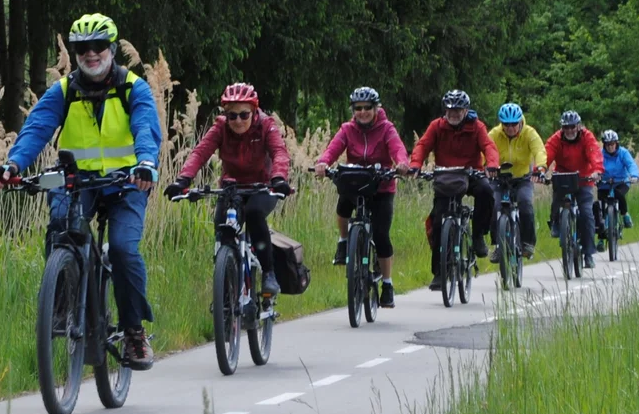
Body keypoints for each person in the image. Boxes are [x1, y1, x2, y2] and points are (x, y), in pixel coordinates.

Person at [0, 14, 162, 369]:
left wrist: (145, 163)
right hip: (76, 181)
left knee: (123, 249)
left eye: (99, 46)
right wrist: (12, 166)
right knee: (61, 229)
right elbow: (36, 128)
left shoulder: (134, 88)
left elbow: (145, 128)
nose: (91, 54)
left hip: (126, 182)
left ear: (112, 49)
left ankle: (133, 332)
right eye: (82, 48)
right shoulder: (64, 90)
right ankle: (63, 303)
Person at [168, 83, 293, 296]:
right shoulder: (220, 128)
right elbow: (200, 153)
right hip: (231, 188)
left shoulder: (266, 126)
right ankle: (226, 288)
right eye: (232, 116)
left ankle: (269, 273)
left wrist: (279, 178)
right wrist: (183, 180)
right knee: (222, 229)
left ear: (254, 112)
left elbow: (279, 153)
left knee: (254, 214)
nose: (237, 121)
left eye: (244, 115)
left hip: (263, 187)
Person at [315, 85, 405, 308]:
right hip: (356, 183)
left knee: (382, 234)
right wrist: (323, 162)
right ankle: (344, 241)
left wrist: (402, 163)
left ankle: (387, 284)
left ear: (376, 109)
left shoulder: (386, 128)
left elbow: (397, 149)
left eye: (367, 108)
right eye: (358, 108)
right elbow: (333, 148)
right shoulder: (347, 129)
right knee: (343, 206)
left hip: (381, 186)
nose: (362, 112)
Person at [407, 89, 499, 292]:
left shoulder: (477, 126)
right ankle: (440, 273)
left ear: (466, 110)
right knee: (439, 223)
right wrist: (415, 164)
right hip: (446, 176)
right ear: (445, 111)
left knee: (486, 191)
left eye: (458, 110)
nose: (454, 114)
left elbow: (489, 146)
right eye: (450, 111)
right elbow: (422, 145)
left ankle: (478, 237)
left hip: (471, 174)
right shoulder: (437, 126)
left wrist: (491, 164)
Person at [544, 109, 604, 268]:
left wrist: (597, 171)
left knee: (586, 213)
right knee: (557, 201)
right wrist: (541, 171)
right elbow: (546, 155)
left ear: (578, 126)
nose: (569, 130)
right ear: (562, 128)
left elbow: (595, 154)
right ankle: (556, 223)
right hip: (563, 176)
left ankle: (589, 253)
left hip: (584, 178)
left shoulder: (587, 137)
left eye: (572, 127)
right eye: (566, 127)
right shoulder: (556, 139)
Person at [490, 102, 545, 261]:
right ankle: (497, 245)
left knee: (525, 204)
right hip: (499, 178)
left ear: (520, 121)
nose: (511, 128)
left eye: (514, 124)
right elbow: (484, 151)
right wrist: (482, 167)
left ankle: (528, 243)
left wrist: (540, 168)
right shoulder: (494, 134)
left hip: (522, 179)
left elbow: (539, 150)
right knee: (493, 205)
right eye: (506, 125)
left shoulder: (529, 133)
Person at [595, 129, 639, 246]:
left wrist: (634, 176)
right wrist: (596, 175)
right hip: (605, 183)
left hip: (621, 181)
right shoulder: (600, 154)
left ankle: (625, 214)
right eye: (608, 144)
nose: (610, 147)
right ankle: (601, 237)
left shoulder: (623, 153)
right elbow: (595, 166)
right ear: (604, 145)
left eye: (612, 144)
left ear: (616, 144)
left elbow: (631, 165)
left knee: (618, 194)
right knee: (600, 206)